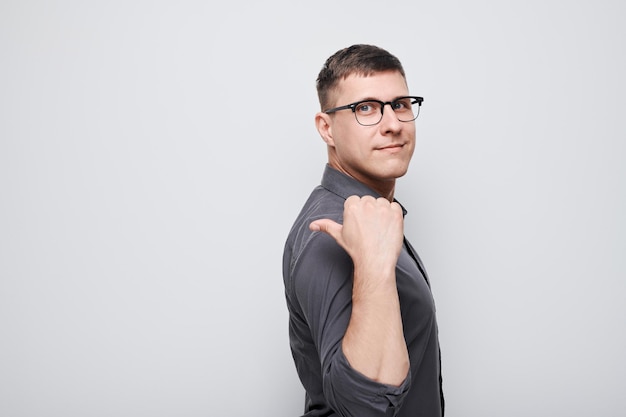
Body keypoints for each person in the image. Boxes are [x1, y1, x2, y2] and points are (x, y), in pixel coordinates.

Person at [282, 44, 444, 417]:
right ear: (327, 128)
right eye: (365, 108)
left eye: (400, 104)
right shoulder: (330, 231)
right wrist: (372, 265)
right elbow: (362, 408)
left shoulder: (373, 216)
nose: (393, 124)